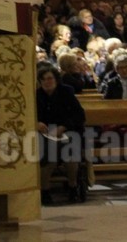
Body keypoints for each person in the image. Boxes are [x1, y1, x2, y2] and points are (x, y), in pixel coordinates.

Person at [36, 66, 86, 204]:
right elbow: (30, 116)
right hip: (44, 133)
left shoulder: (66, 92)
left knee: (70, 151)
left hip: (66, 130)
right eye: (43, 79)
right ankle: (45, 191)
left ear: (56, 79)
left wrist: (63, 127)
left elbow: (79, 115)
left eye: (50, 78)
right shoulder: (36, 95)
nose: (47, 82)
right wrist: (36, 123)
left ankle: (73, 187)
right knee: (48, 153)